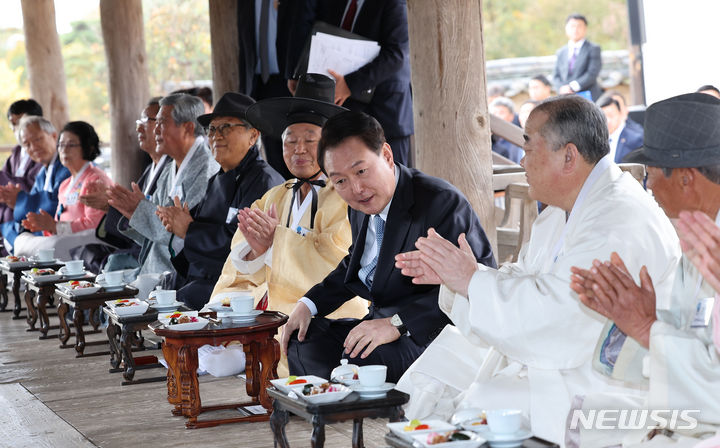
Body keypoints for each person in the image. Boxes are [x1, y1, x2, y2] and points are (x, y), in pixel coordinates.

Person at [394, 95, 680, 445]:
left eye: (529, 147)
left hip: (602, 375)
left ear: (569, 156)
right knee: (435, 365)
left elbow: (561, 315)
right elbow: (525, 280)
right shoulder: (561, 211)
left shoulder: (616, 218)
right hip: (548, 348)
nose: (522, 159)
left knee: (484, 404)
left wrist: (471, 280)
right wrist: (461, 278)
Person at [281, 110, 495, 383]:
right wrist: (307, 304)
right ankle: (335, 396)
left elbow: (478, 281)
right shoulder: (362, 205)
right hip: (377, 327)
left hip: (431, 333)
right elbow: (356, 265)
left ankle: (342, 393)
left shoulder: (439, 203)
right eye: (340, 181)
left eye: (361, 171)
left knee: (360, 362)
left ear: (386, 155)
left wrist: (398, 323)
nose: (356, 188)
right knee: (304, 338)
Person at [570, 92, 720, 447]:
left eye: (651, 175)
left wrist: (646, 326)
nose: (648, 187)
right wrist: (641, 318)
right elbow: (696, 339)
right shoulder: (699, 236)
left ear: (685, 178)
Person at [207, 75, 369, 375]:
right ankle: (245, 353)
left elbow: (338, 260)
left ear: (330, 145)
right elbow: (239, 255)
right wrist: (256, 253)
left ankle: (252, 357)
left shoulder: (345, 196)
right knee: (219, 311)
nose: (299, 149)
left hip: (327, 306)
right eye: (290, 141)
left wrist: (276, 243)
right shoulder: (275, 195)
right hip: (272, 298)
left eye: (310, 140)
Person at [156, 92, 284, 310]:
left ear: (253, 136)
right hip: (205, 278)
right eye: (212, 129)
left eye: (226, 127)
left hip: (240, 288)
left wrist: (188, 230)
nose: (216, 136)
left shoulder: (264, 181)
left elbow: (242, 245)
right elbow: (195, 226)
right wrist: (177, 222)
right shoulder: (217, 178)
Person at [287, 0, 415, 166]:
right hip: (347, 111)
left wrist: (350, 85)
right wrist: (300, 74)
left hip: (386, 110)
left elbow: (396, 55)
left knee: (393, 178)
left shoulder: (393, 3)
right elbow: (322, 37)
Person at [109, 93, 219, 276]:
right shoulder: (169, 169)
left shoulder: (207, 169)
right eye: (156, 123)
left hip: (177, 273)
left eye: (162, 123)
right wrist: (132, 213)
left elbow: (182, 233)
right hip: (152, 268)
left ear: (187, 128)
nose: (156, 130)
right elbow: (154, 231)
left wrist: (140, 210)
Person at [78, 97, 171, 272]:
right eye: (139, 121)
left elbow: (158, 222)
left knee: (112, 264)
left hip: (156, 253)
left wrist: (114, 204)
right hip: (138, 245)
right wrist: (113, 204)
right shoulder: (151, 168)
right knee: (85, 254)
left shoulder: (172, 169)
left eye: (146, 120)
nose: (138, 127)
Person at [11, 121, 112, 260]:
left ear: (88, 147)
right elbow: (58, 223)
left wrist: (55, 226)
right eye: (61, 145)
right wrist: (44, 225)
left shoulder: (95, 180)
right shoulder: (65, 184)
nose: (64, 149)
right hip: (66, 244)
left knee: (49, 245)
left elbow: (95, 225)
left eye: (71, 145)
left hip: (89, 248)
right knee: (23, 239)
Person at [237, 0, 294, 180]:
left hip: (289, 82)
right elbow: (243, 41)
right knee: (270, 152)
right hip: (258, 82)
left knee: (293, 147)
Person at [0, 116, 71, 253]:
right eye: (27, 144)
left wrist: (19, 200)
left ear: (54, 136)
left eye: (38, 139)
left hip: (61, 230)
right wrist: (14, 202)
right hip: (41, 232)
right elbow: (31, 203)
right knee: (8, 226)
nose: (33, 147)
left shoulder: (66, 167)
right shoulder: (42, 174)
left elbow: (56, 205)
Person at [0, 99, 44, 253]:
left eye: (19, 122)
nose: (14, 128)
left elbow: (33, 186)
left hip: (26, 212)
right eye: (12, 124)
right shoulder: (17, 152)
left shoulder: (42, 152)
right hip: (6, 211)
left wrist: (11, 186)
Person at [552, 14, 602, 101]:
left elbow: (592, 73)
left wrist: (571, 87)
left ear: (585, 29)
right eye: (572, 26)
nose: (575, 29)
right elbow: (556, 76)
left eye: (579, 26)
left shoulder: (593, 49)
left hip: (587, 96)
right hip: (565, 98)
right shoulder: (560, 52)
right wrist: (561, 88)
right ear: (566, 29)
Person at [597, 96, 643, 163]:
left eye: (611, 115)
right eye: (604, 117)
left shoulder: (635, 139)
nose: (608, 120)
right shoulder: (597, 139)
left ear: (620, 114)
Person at [490, 97, 524, 163]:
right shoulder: (490, 137)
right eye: (494, 113)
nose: (497, 116)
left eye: (501, 113)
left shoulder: (518, 137)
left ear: (511, 116)